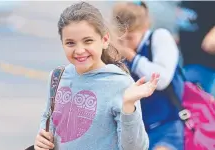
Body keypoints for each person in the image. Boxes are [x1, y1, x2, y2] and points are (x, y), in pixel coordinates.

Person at [34, 2, 159, 150]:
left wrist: (128, 105)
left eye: (88, 41)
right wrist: (41, 140)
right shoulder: (57, 77)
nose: (79, 50)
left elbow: (136, 148)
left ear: (104, 40)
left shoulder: (120, 83)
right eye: (70, 43)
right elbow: (47, 122)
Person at [112, 2, 184, 150]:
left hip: (166, 124)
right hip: (134, 128)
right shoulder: (115, 48)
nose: (125, 45)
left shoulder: (159, 37)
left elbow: (162, 79)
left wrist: (133, 58)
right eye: (121, 39)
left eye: (130, 38)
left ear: (144, 29)